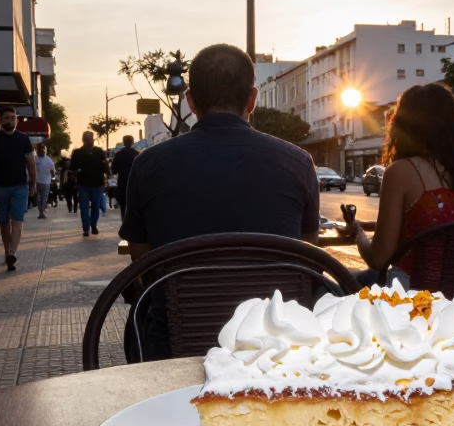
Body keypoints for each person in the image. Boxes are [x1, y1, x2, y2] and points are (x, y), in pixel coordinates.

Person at [119, 43, 320, 360]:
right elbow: (308, 253)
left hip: (174, 347)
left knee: (142, 313)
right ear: (252, 99)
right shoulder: (298, 162)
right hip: (274, 352)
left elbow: (142, 261)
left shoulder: (148, 165)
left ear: (190, 101)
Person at [347, 84, 454, 284]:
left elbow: (379, 260)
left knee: (330, 286)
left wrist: (357, 232)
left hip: (416, 302)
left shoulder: (401, 172)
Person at [0, 106, 36, 271]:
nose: (10, 121)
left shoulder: (24, 139)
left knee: (17, 220)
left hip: (20, 186)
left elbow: (31, 163)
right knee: (4, 222)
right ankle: (7, 251)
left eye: (13, 118)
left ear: (17, 120)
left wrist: (33, 183)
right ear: (0, 120)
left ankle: (12, 252)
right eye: (7, 118)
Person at [69, 131, 110, 237]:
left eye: (90, 139)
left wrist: (108, 177)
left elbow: (105, 166)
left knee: (96, 206)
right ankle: (86, 227)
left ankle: (94, 225)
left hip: (97, 184)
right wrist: (74, 176)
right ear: (83, 140)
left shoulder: (99, 151)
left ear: (93, 139)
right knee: (83, 206)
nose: (88, 141)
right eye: (86, 139)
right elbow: (72, 168)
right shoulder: (78, 153)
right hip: (83, 184)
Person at [111, 135, 139, 219]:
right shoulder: (137, 154)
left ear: (123, 142)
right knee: (134, 203)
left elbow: (114, 170)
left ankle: (124, 220)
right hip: (134, 182)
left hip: (122, 183)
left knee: (123, 204)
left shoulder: (118, 155)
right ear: (132, 142)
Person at [34, 142, 55, 219]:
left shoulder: (48, 159)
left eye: (43, 149)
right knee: (38, 198)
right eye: (39, 149)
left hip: (46, 182)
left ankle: (42, 212)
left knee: (44, 198)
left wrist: (53, 177)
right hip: (37, 182)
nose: (41, 151)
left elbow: (52, 170)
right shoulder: (35, 159)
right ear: (37, 150)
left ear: (45, 151)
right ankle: (40, 212)